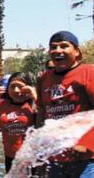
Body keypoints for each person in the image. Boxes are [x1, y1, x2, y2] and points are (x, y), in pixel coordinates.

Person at [36, 31, 94, 177]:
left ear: (77, 52)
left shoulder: (88, 73)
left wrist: (87, 142)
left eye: (64, 46)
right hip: (55, 158)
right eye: (53, 47)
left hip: (85, 159)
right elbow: (42, 113)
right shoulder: (44, 79)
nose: (58, 51)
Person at [0, 72, 37, 173]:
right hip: (10, 156)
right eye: (12, 86)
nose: (16, 90)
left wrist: (35, 96)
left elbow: (46, 121)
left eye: (20, 86)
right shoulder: (2, 104)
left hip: (31, 157)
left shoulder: (33, 104)